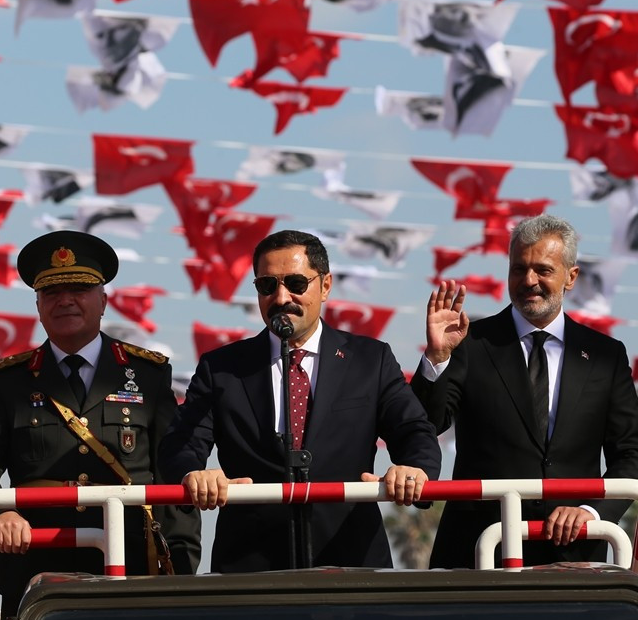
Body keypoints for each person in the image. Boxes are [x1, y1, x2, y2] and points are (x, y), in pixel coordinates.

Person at [0, 231, 201, 620]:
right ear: (38, 305)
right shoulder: (10, 382)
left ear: (103, 299)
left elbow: (175, 466)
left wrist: (179, 566)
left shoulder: (146, 375)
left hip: (131, 570)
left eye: (79, 289)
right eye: (52, 291)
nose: (65, 301)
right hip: (40, 573)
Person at [158, 228, 442, 572]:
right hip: (250, 570)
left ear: (325, 286)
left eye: (296, 283)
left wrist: (414, 470)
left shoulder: (371, 360)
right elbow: (179, 445)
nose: (281, 298)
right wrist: (195, 474)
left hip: (350, 561)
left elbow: (413, 430)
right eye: (267, 286)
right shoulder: (222, 368)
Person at [411, 213, 638, 568]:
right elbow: (426, 424)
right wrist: (437, 356)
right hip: (481, 552)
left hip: (572, 558)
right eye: (518, 269)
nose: (529, 280)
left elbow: (632, 455)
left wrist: (590, 512)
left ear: (571, 277)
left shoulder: (604, 356)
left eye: (543, 270)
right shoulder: (470, 342)